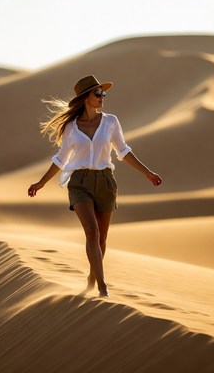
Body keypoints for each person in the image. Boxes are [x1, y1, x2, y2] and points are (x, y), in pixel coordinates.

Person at [28, 75, 162, 298]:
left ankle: (92, 276)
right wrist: (41, 183)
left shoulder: (110, 122)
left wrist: (147, 172)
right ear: (85, 98)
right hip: (79, 183)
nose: (102, 97)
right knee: (92, 231)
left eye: (103, 93)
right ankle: (102, 287)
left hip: (106, 182)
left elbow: (123, 151)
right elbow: (61, 159)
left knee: (101, 238)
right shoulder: (71, 127)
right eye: (97, 93)